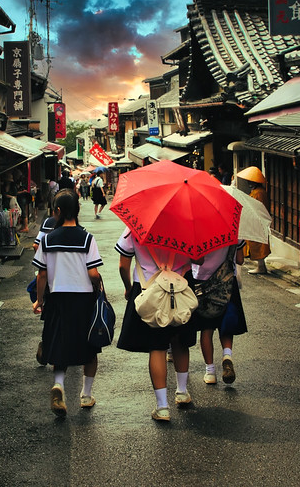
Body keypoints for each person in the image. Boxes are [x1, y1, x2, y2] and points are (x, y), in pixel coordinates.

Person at [115, 229, 200, 422]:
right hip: (181, 289)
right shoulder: (185, 227)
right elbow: (200, 261)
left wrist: (128, 288)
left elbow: (123, 265)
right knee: (180, 341)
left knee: (157, 346)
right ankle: (182, 392)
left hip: (148, 290)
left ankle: (162, 407)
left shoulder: (135, 228)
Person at [32, 189, 103, 417]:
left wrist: (39, 301)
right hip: (82, 299)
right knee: (89, 347)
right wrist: (99, 284)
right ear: (78, 210)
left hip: (57, 298)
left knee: (59, 343)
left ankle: (59, 385)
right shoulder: (87, 238)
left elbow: (41, 275)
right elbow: (93, 273)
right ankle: (86, 395)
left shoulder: (48, 239)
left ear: (58, 211)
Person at [191, 240, 247, 385]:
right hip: (227, 281)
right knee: (226, 324)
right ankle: (227, 355)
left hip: (202, 282)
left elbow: (198, 260)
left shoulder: (199, 231)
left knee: (206, 328)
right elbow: (240, 259)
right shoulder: (233, 229)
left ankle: (210, 372)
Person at [246, 180, 271, 274]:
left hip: (258, 220)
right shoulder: (257, 191)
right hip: (256, 220)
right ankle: (261, 266)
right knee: (257, 243)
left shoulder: (259, 193)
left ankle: (261, 267)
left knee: (258, 244)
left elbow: (259, 207)